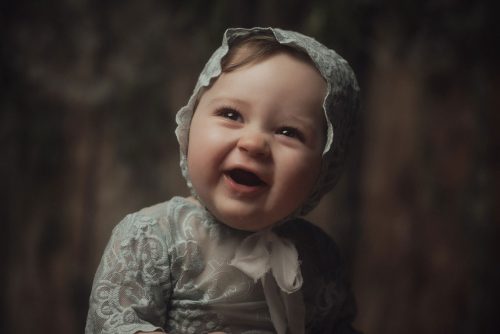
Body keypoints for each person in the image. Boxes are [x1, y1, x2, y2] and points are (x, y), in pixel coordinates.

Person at [85, 27, 360, 334]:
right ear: (191, 122)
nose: (253, 143)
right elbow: (114, 325)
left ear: (325, 165)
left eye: (288, 132)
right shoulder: (152, 238)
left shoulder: (318, 254)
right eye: (231, 114)